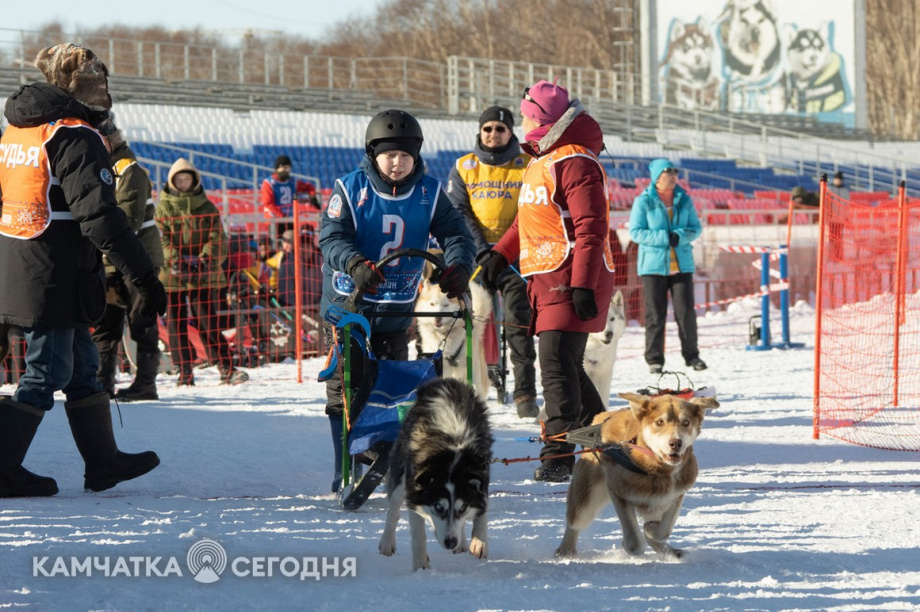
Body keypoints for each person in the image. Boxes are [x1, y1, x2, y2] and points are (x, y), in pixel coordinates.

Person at [0, 43, 166, 497]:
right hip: (53, 271)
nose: (105, 87)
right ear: (77, 85)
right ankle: (3, 465)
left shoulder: (19, 128)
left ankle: (104, 462)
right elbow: (99, 215)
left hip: (29, 264)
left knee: (82, 368)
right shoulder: (74, 133)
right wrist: (143, 276)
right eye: (98, 78)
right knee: (45, 373)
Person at [319, 109, 474, 492]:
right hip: (349, 308)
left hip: (395, 310)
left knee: (391, 386)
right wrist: (355, 264)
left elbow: (457, 235)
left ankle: (383, 453)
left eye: (405, 155)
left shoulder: (429, 192)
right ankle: (346, 463)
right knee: (348, 385)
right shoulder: (349, 188)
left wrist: (456, 266)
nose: (397, 162)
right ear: (373, 154)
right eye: (389, 154)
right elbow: (331, 237)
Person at [479, 80, 616, 483]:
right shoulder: (543, 159)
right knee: (567, 366)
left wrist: (583, 284)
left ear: (540, 117)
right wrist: (500, 252)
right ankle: (607, 442)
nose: (520, 119)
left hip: (573, 276)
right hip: (549, 276)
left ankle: (559, 455)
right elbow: (529, 217)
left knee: (556, 365)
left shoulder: (575, 160)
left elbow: (591, 228)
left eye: (525, 113)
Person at [446, 105, 538, 418]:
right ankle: (472, 386)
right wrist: (482, 249)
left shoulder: (528, 164)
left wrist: (504, 250)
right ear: (480, 131)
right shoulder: (464, 165)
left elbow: (531, 209)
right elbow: (458, 210)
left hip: (515, 256)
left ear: (511, 132)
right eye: (488, 129)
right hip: (477, 257)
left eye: (500, 129)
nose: (493, 134)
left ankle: (525, 392)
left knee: (517, 324)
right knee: (471, 324)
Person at [91, 113, 166, 402]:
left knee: (142, 321)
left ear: (108, 139)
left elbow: (128, 221)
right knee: (106, 324)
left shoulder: (129, 169)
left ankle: (146, 384)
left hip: (138, 258)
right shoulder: (102, 166)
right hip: (110, 259)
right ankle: (102, 383)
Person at [156, 158, 249, 386]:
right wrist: (177, 261)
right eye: (179, 179)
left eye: (187, 178)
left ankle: (226, 367)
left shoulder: (208, 207)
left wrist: (205, 259)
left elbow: (218, 237)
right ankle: (184, 371)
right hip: (173, 275)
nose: (183, 182)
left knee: (208, 320)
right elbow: (160, 238)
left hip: (203, 274)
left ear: (194, 180)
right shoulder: (162, 208)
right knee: (176, 324)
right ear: (172, 181)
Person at [629, 158, 707, 375]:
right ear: (656, 176)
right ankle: (654, 359)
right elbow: (636, 232)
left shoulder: (685, 199)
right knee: (655, 314)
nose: (673, 175)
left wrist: (678, 236)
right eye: (667, 172)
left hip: (682, 265)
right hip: (653, 267)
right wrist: (665, 237)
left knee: (686, 313)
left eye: (675, 172)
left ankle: (692, 355)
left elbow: (695, 228)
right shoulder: (643, 202)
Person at [261, 154, 321, 233]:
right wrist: (282, 216)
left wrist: (312, 195)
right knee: (277, 243)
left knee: (292, 241)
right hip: (274, 219)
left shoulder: (293, 182)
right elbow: (268, 203)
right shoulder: (268, 183)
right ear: (278, 168)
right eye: (285, 168)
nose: (287, 171)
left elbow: (309, 186)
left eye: (288, 168)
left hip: (290, 218)